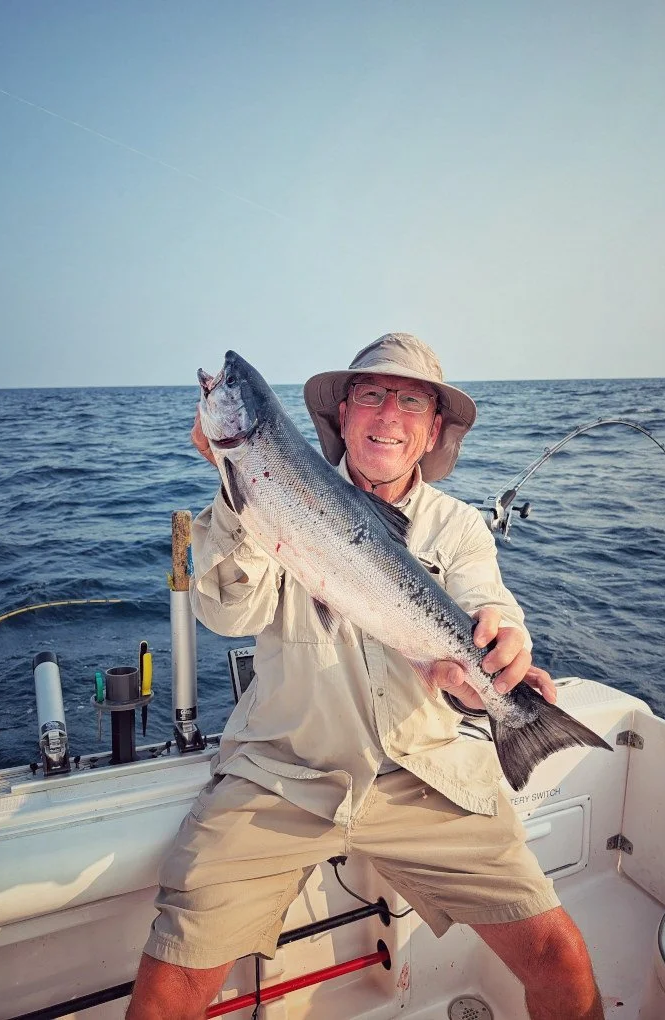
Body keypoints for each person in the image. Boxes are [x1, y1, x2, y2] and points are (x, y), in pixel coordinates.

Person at [127, 333, 603, 1020]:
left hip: (429, 776)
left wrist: (505, 645)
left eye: (411, 400)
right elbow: (230, 613)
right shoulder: (261, 493)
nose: (389, 415)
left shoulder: (459, 527)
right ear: (341, 415)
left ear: (434, 427)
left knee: (562, 957)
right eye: (371, 396)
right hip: (282, 775)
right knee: (170, 986)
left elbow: (487, 603)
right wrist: (235, 487)